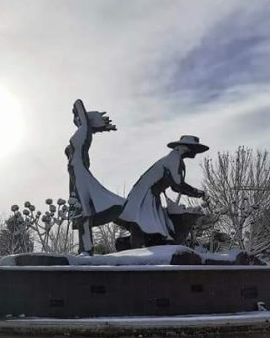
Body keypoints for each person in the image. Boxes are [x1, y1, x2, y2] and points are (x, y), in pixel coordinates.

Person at [119, 135, 207, 247]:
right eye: (195, 149)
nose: (195, 153)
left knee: (153, 225)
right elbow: (178, 184)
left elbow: (175, 186)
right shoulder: (174, 159)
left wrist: (197, 193)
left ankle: (140, 245)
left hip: (150, 195)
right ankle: (135, 247)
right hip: (145, 195)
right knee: (144, 222)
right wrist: (199, 193)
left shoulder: (175, 159)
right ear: (186, 148)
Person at [66, 99, 127, 254]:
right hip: (75, 174)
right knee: (81, 210)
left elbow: (78, 103)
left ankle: (86, 249)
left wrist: (77, 108)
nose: (77, 119)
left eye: (80, 118)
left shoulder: (85, 131)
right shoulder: (83, 133)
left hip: (79, 173)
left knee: (85, 211)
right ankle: (84, 248)